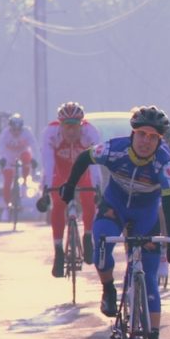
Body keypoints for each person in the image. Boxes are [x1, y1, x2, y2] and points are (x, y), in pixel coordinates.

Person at [60, 106, 170, 339]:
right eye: (141, 134)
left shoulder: (166, 161)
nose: (146, 141)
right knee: (102, 248)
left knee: (149, 278)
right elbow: (85, 157)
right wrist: (70, 186)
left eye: (153, 137)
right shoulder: (113, 149)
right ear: (133, 133)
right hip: (114, 206)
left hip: (146, 215)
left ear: (160, 140)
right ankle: (108, 289)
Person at [36, 102, 102, 277]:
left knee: (89, 201)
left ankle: (88, 237)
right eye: (67, 126)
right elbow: (48, 164)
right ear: (60, 125)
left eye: (75, 126)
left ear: (82, 124)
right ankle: (58, 250)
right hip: (60, 171)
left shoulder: (91, 133)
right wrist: (47, 188)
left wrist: (97, 187)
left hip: (83, 171)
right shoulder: (51, 134)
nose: (71, 132)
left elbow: (96, 164)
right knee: (58, 204)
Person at [0, 114, 38, 221]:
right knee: (8, 179)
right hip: (8, 155)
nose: (16, 132)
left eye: (18, 130)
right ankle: (6, 207)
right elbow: (0, 148)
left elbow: (34, 147)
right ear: (10, 128)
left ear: (22, 128)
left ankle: (24, 183)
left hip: (22, 153)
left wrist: (34, 159)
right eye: (13, 130)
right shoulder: (5, 133)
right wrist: (1, 159)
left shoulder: (27, 133)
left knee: (26, 157)